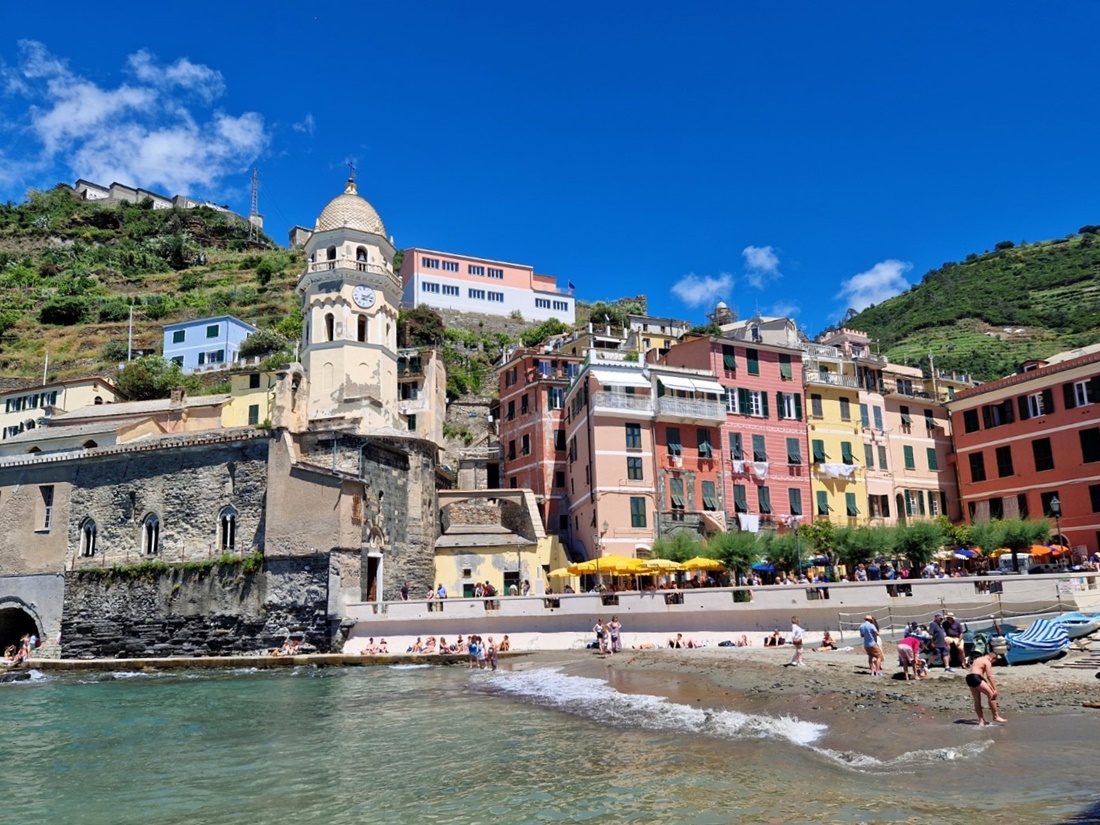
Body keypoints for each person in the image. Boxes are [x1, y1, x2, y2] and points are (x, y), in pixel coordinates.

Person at [966, 651, 1007, 726]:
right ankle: (996, 716)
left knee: (977, 701)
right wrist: (995, 689)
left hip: (969, 678)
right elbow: (989, 677)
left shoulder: (978, 659)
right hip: (976, 677)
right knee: (992, 695)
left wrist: (990, 687)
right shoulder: (987, 662)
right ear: (993, 659)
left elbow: (981, 677)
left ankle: (981, 721)